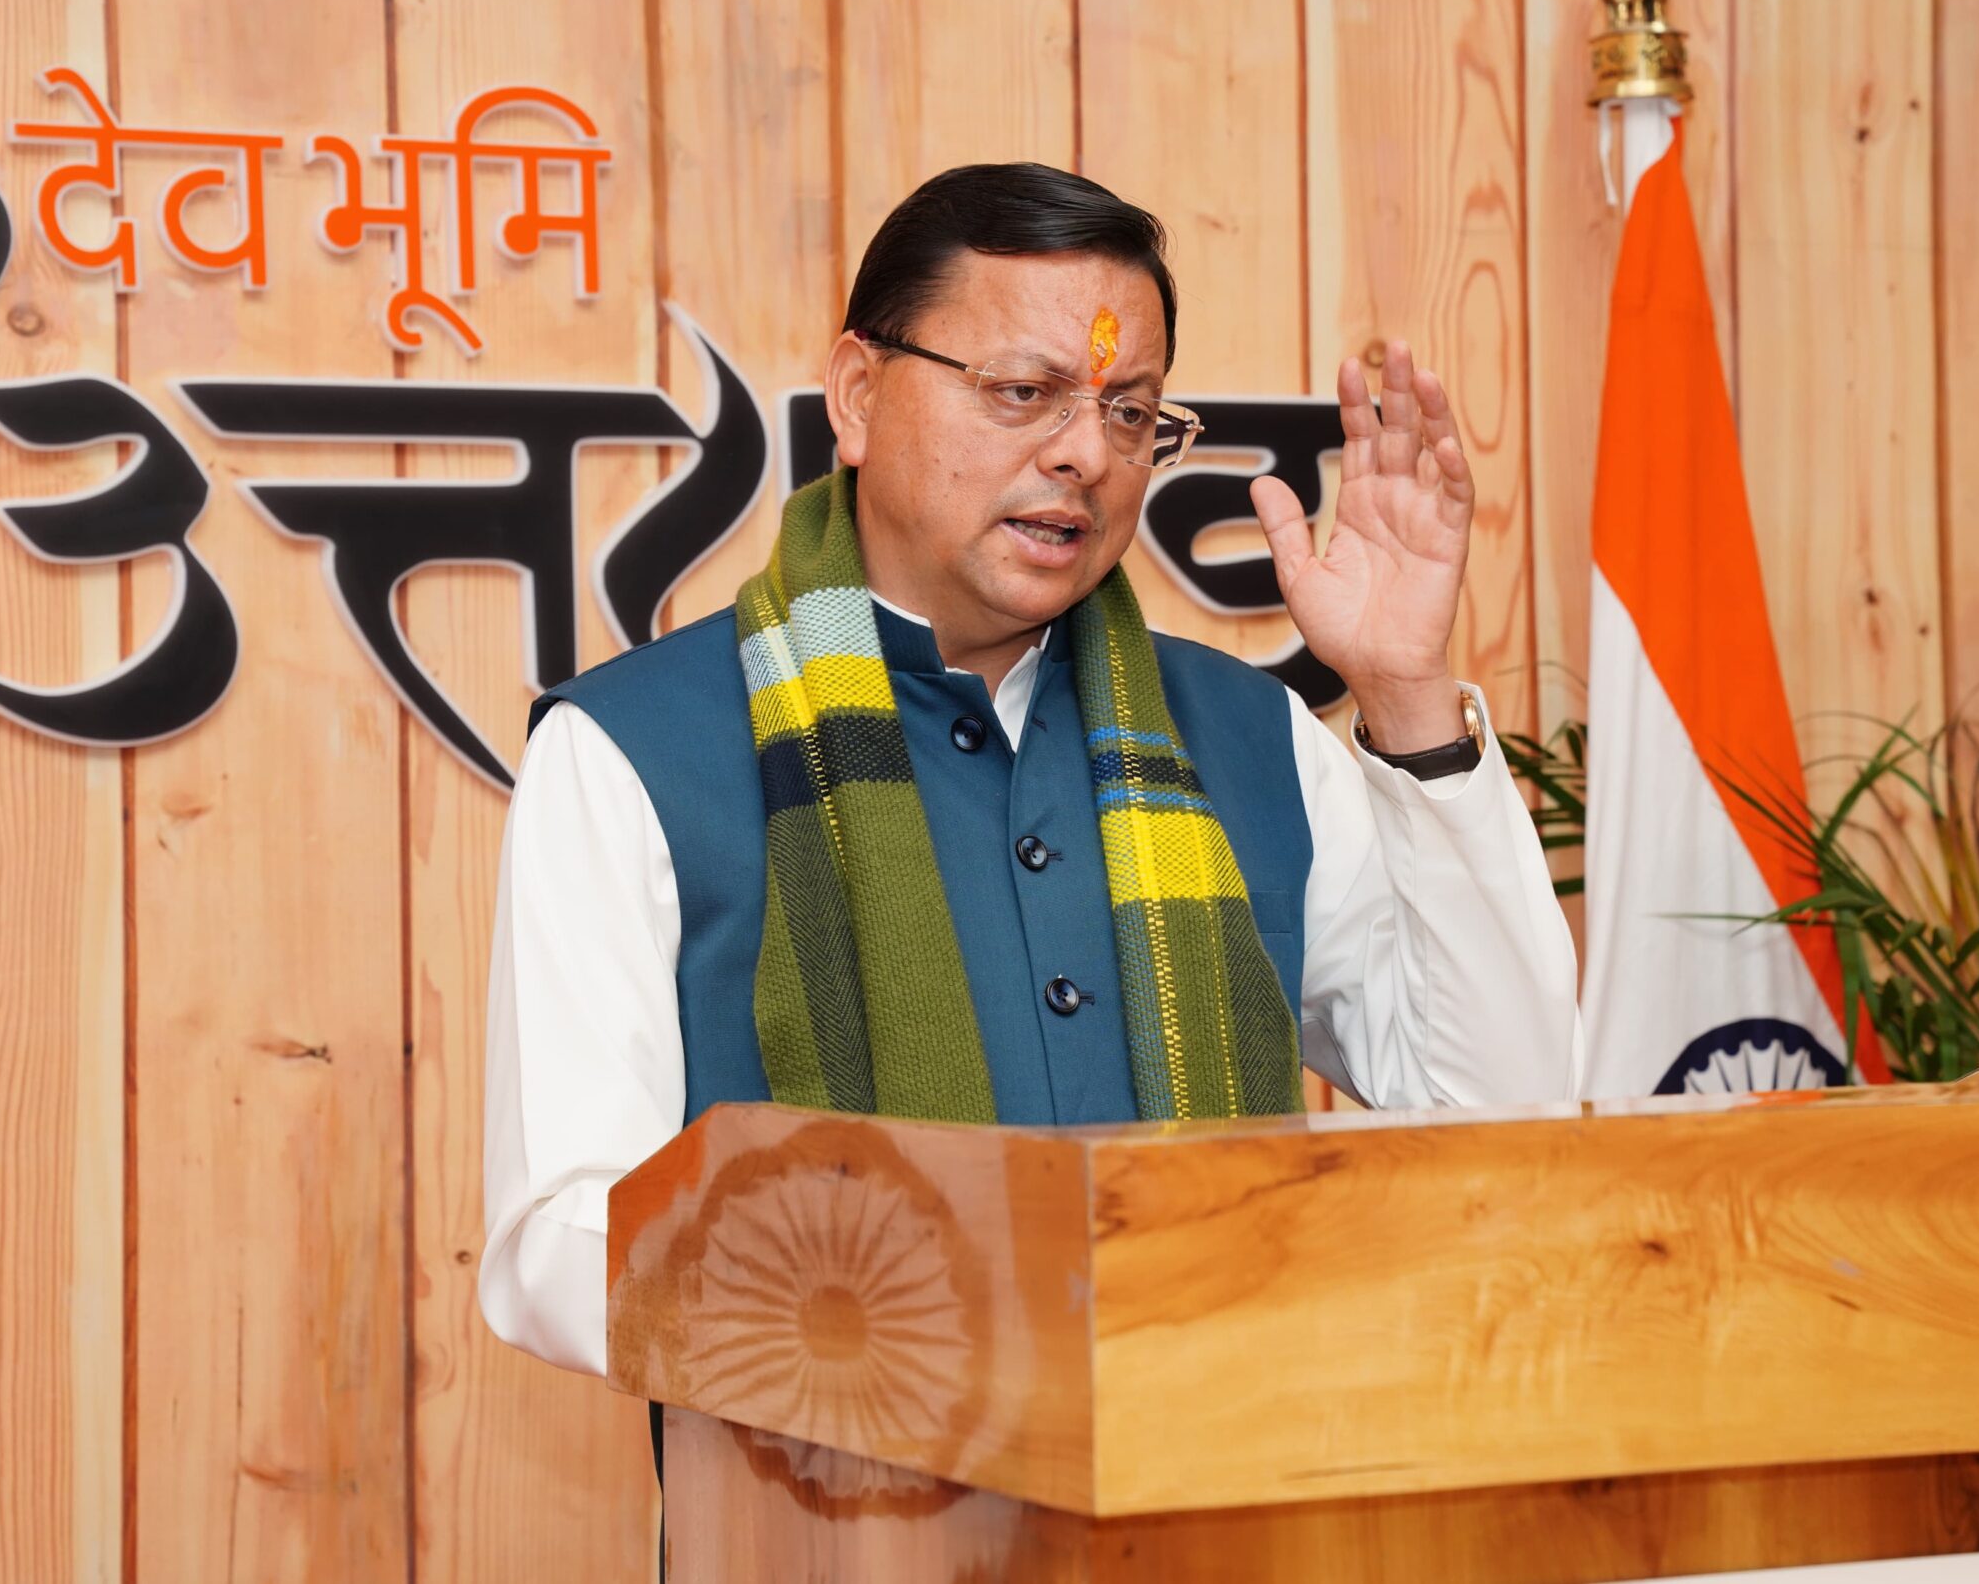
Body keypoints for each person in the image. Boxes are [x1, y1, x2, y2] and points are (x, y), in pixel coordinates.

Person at [479, 163, 1580, 1388]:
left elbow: (1503, 1112)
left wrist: (1407, 697)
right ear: (857, 394)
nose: (1086, 456)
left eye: (1130, 413)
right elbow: (560, 1242)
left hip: (1227, 1464)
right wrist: (905, 1320)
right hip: (834, 1483)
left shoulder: (1250, 738)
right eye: (1024, 393)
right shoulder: (632, 751)